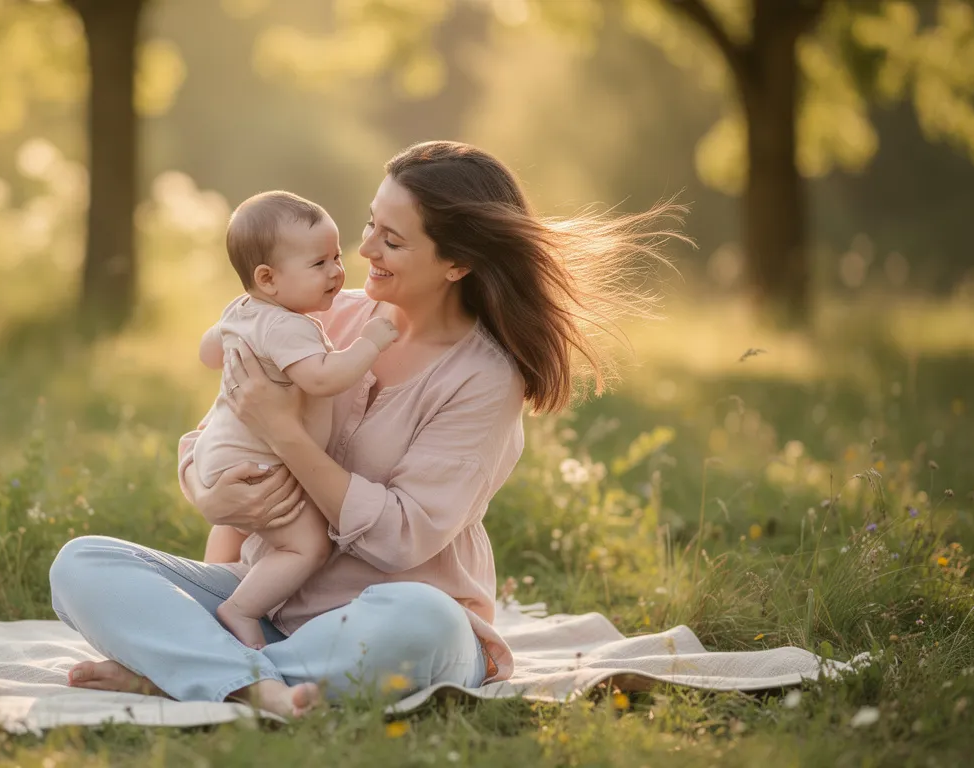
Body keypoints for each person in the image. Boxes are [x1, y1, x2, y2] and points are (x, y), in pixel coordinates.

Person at [50, 140, 683, 719]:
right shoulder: (319, 321)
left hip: (385, 618)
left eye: (393, 240)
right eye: (369, 226)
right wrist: (209, 492)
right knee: (82, 564)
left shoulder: (484, 380)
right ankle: (243, 677)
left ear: (457, 261)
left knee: (423, 622)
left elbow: (401, 537)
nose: (364, 252)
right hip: (267, 607)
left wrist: (287, 435)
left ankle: (188, 673)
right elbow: (216, 433)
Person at [192, 190, 400, 650]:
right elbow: (323, 379)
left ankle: (212, 595)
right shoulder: (288, 326)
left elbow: (209, 352)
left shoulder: (240, 310)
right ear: (267, 278)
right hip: (254, 459)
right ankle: (239, 609)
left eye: (336, 256)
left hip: (219, 453)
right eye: (319, 264)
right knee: (306, 546)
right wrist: (369, 342)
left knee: (234, 529)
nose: (337, 272)